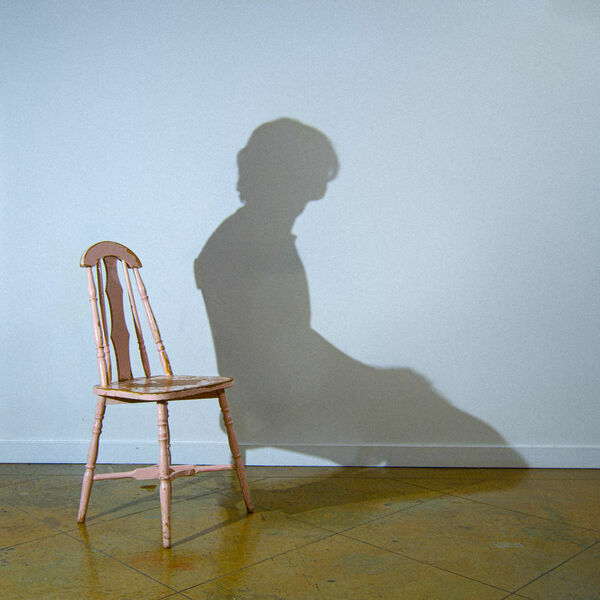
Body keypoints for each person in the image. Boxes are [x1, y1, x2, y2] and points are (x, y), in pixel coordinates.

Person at [195, 118, 524, 466]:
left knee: (458, 431)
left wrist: (368, 379)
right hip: (274, 399)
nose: (316, 192)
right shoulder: (249, 243)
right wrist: (367, 382)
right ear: (282, 174)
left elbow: (287, 338)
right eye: (310, 176)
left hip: (284, 386)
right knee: (465, 440)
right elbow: (275, 348)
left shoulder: (253, 236)